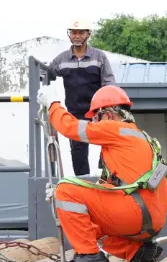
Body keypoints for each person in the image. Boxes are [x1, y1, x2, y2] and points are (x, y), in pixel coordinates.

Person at [36, 84, 167, 262]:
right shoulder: (141, 137)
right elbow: (110, 188)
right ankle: (138, 253)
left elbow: (70, 127)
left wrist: (53, 104)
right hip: (150, 220)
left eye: (95, 118)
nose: (94, 123)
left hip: (135, 213)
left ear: (108, 115)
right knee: (88, 227)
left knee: (65, 189)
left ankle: (88, 255)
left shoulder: (116, 129)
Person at [47, 19, 116, 176]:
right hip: (75, 114)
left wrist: (107, 109)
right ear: (69, 34)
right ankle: (83, 184)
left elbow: (109, 83)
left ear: (88, 34)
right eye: (74, 32)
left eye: (81, 33)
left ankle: (109, 176)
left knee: (109, 143)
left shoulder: (99, 57)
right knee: (78, 154)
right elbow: (46, 75)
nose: (77, 36)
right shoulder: (61, 60)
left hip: (98, 112)